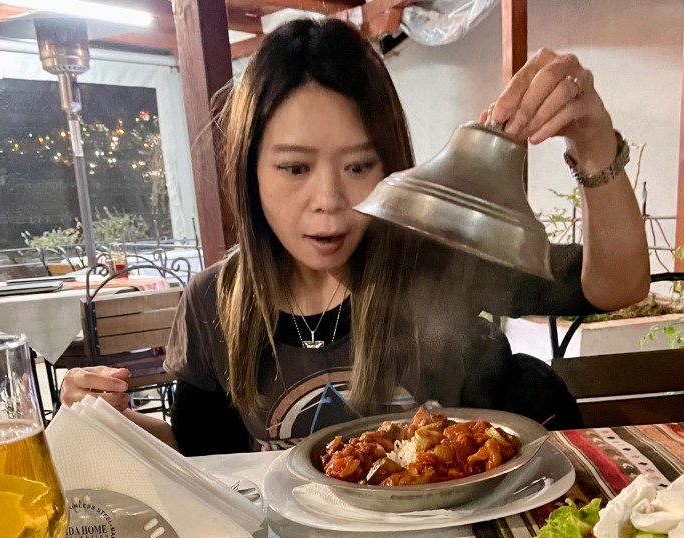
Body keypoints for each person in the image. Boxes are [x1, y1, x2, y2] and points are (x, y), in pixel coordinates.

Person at [60, 18, 649, 453]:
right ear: (250, 171)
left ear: (390, 163)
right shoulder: (216, 302)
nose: (329, 200)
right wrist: (112, 420)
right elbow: (202, 454)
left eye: (359, 166)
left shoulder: (433, 257)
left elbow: (615, 286)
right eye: (295, 168)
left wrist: (594, 141)